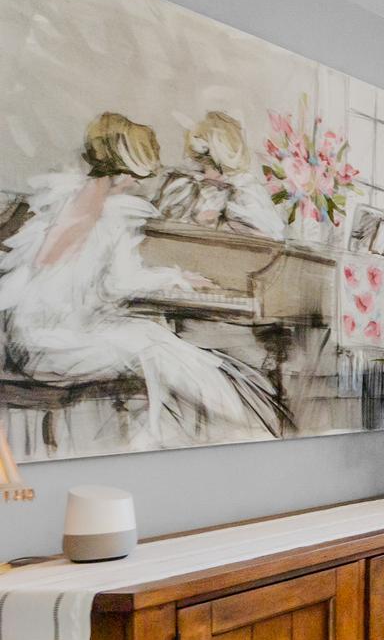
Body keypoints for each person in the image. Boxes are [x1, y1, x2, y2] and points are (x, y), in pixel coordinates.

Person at [0, 111, 284, 443]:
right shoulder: (118, 211)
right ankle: (235, 428)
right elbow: (121, 283)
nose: (140, 182)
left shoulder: (67, 195)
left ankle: (209, 427)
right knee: (157, 346)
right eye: (138, 173)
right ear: (130, 166)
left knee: (154, 337)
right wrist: (175, 277)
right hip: (59, 343)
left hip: (22, 338)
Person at [156, 110, 286, 239]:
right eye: (202, 160)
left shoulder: (245, 188)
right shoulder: (185, 183)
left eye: (209, 161)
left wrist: (218, 225)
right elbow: (167, 227)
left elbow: (265, 237)